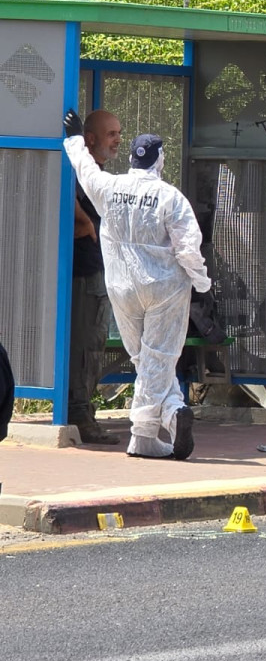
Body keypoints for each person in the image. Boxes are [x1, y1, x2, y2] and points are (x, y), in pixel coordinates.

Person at [62, 112, 210, 460]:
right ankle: (166, 417)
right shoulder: (170, 197)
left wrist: (72, 139)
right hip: (166, 290)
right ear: (160, 160)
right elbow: (189, 246)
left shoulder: (110, 187)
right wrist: (201, 281)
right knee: (159, 358)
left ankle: (148, 434)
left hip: (121, 287)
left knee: (146, 359)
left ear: (131, 157)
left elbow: (85, 169)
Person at [68, 110, 123, 445]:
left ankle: (81, 409)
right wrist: (86, 224)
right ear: (89, 138)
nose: (117, 140)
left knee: (94, 343)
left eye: (118, 133)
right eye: (111, 134)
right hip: (85, 272)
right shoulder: (79, 169)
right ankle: (79, 413)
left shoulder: (95, 171)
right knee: (87, 345)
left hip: (98, 270)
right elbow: (67, 194)